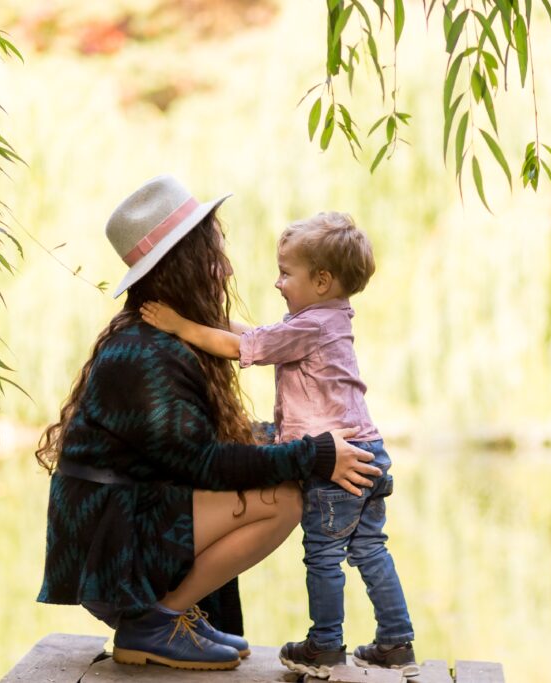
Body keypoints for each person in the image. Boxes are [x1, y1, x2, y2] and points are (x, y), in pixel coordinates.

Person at [34, 175, 382, 672]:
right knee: (283, 497)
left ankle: (169, 615)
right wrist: (315, 454)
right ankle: (155, 620)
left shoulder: (169, 336)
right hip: (110, 544)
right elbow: (203, 463)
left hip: (130, 515)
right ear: (186, 265)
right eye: (214, 254)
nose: (227, 269)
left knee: (284, 475)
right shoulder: (143, 352)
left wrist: (303, 438)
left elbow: (199, 443)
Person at [141, 211, 418, 678]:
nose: (277, 283)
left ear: (323, 280)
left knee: (325, 556)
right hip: (368, 447)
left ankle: (326, 644)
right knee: (370, 550)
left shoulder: (309, 326)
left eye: (287, 273)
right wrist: (205, 317)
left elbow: (241, 348)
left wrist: (181, 327)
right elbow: (256, 336)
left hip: (337, 459)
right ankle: (396, 640)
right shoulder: (328, 319)